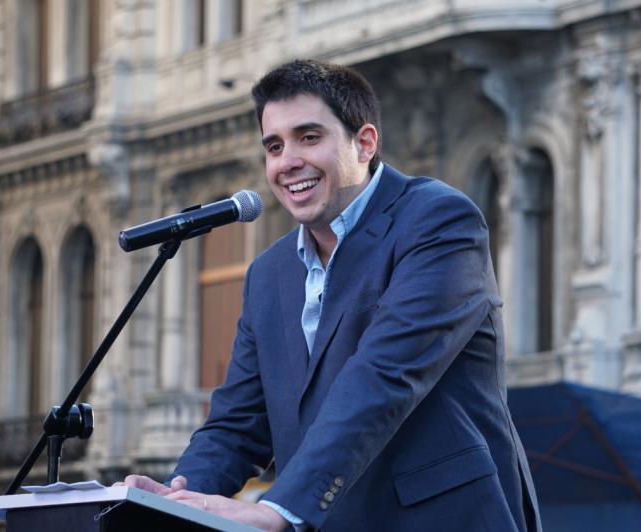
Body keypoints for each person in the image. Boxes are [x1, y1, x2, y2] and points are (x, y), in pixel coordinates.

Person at [120, 59, 541, 532]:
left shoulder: (439, 221)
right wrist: (178, 498)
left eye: (309, 137)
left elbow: (383, 376)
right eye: (274, 146)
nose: (288, 162)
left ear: (364, 143)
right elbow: (237, 422)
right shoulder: (269, 273)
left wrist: (279, 507)